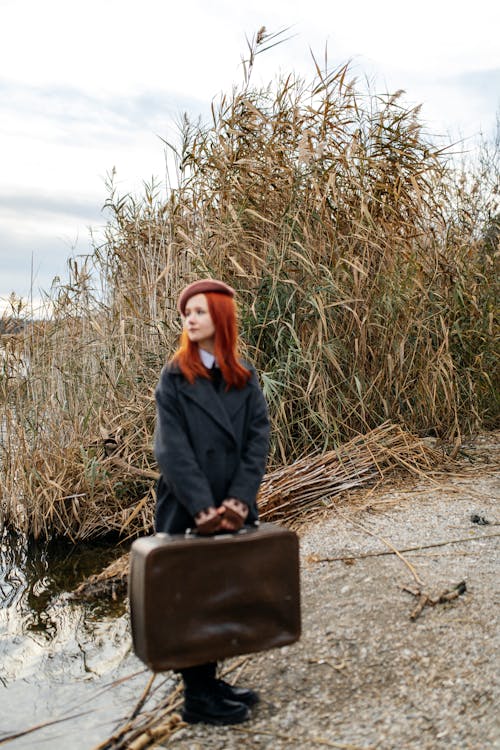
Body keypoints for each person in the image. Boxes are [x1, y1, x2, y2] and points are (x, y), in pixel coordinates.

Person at [154, 278, 270, 726]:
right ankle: (196, 695)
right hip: (188, 505)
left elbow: (257, 440)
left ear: (220, 317)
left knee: (224, 591)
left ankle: (212, 680)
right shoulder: (175, 376)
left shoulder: (243, 375)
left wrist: (240, 501)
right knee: (191, 595)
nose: (191, 318)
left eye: (200, 311)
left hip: (231, 503)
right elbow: (171, 449)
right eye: (187, 313)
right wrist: (203, 508)